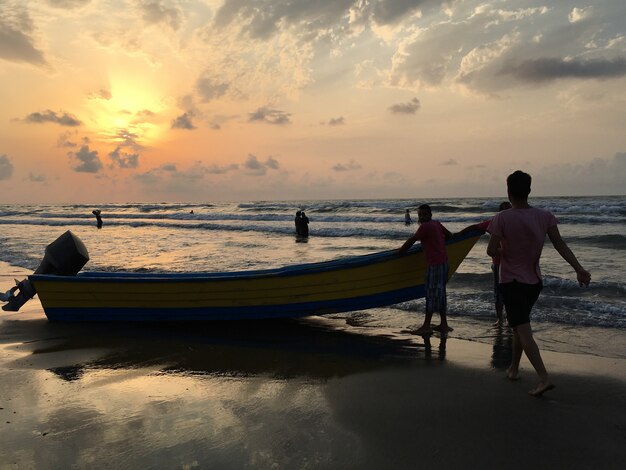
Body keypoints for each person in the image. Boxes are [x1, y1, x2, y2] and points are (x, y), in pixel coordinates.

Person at [487, 170, 591, 397]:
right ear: (529, 191)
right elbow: (561, 245)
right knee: (519, 325)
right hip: (534, 281)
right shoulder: (545, 216)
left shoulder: (502, 218)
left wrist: (506, 250)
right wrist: (579, 269)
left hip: (511, 281)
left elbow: (490, 250)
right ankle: (513, 369)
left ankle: (543, 378)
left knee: (523, 329)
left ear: (509, 191)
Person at [454, 201, 512, 326]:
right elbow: (475, 227)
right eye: (505, 211)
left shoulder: (516, 224)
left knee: (512, 292)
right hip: (498, 263)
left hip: (513, 264)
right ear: (500, 213)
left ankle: (510, 318)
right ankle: (500, 319)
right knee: (499, 292)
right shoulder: (494, 223)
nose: (508, 213)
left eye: (510, 210)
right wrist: (459, 234)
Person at [398, 204, 453, 335]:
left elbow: (412, 240)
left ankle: (426, 326)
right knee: (441, 294)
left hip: (434, 265)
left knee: (431, 294)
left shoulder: (425, 227)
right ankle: (444, 324)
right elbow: (449, 235)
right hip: (444, 263)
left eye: (424, 215)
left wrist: (400, 252)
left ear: (430, 215)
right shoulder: (436, 224)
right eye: (419, 215)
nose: (421, 217)